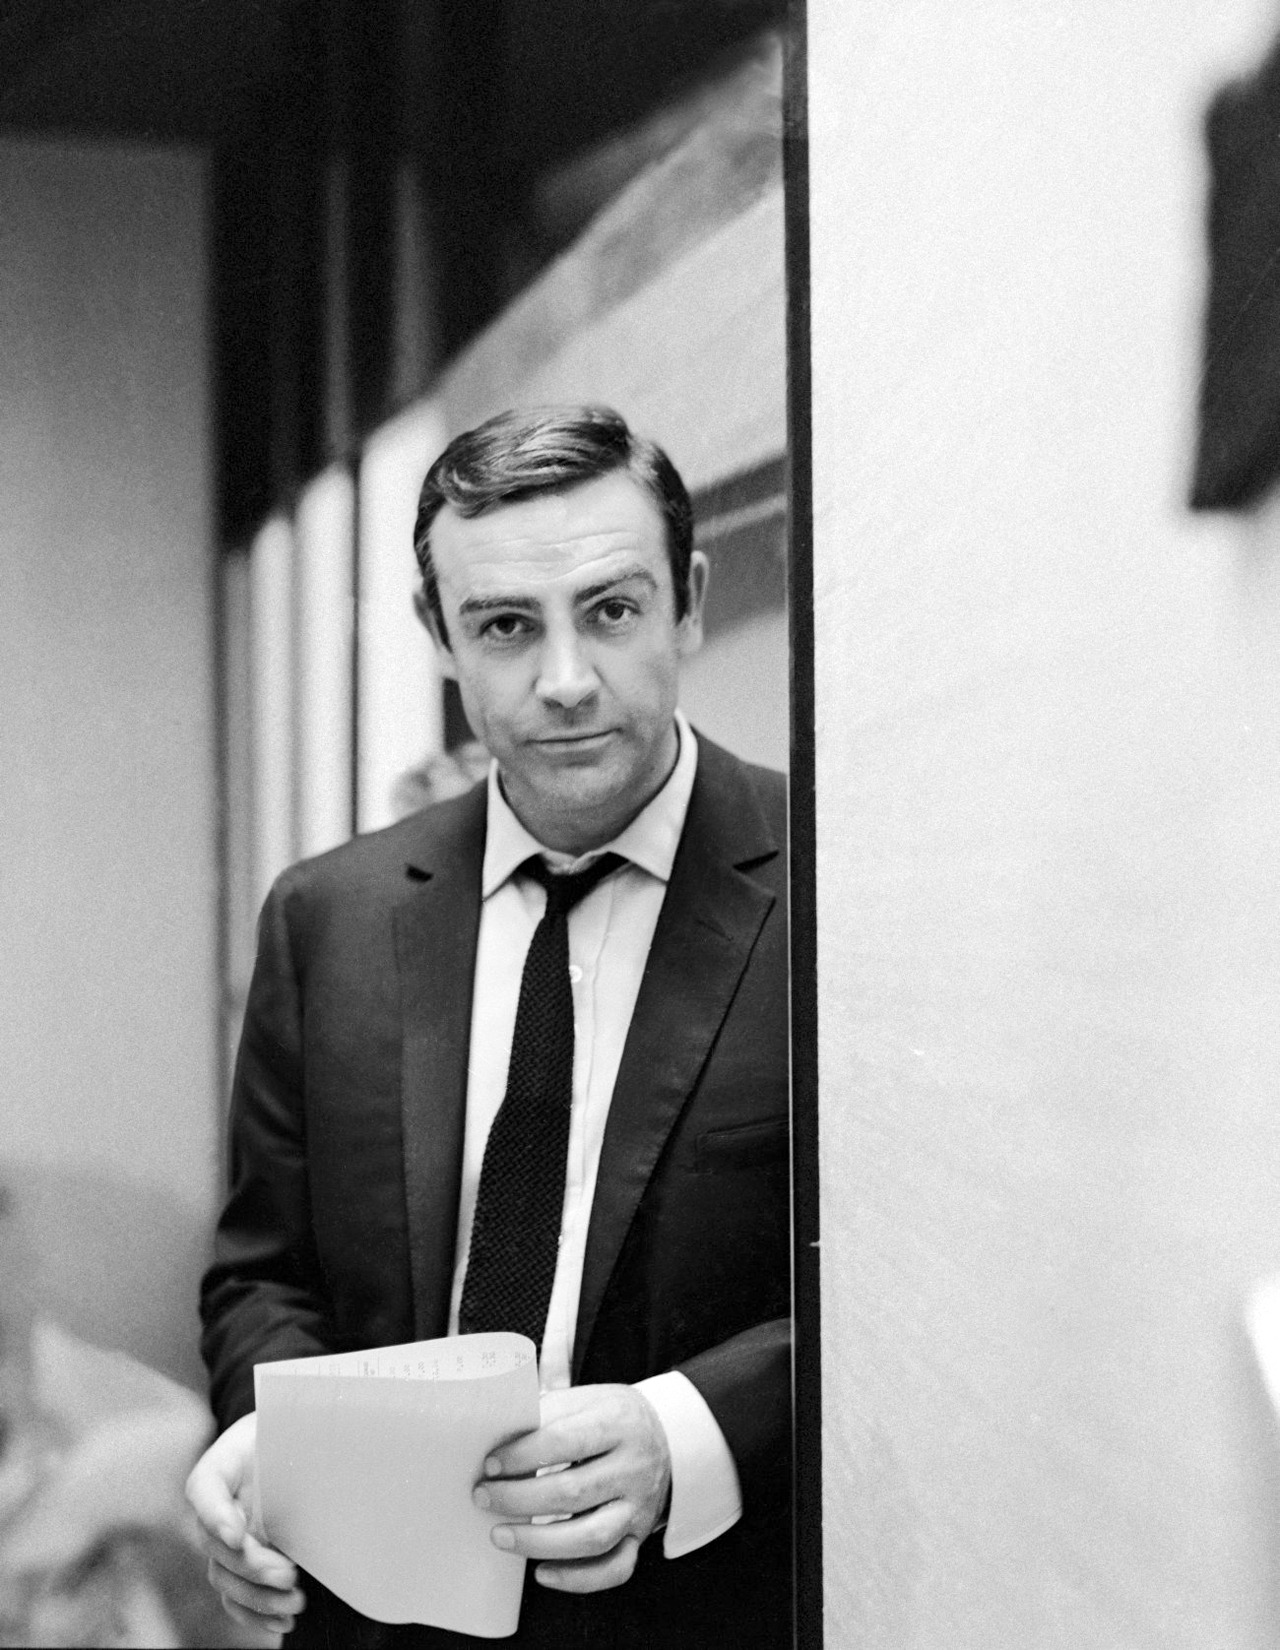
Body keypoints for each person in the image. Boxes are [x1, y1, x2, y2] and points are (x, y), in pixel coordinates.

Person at [187, 405, 792, 1648]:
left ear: (686, 602)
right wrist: (266, 1433)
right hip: (374, 1611)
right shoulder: (326, 918)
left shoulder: (834, 887)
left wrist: (687, 1433)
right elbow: (263, 1273)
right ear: (439, 635)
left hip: (704, 1609)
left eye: (610, 611)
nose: (563, 680)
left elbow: (887, 1283)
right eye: (506, 626)